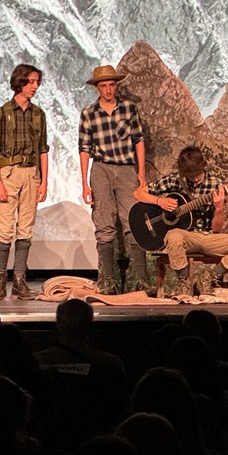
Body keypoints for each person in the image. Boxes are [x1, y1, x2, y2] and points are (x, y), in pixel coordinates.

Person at [134, 146, 228, 297]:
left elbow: (217, 228)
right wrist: (159, 201)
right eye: (190, 175)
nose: (195, 178)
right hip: (186, 237)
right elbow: (139, 193)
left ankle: (208, 279)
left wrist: (219, 209)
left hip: (208, 236)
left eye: (196, 173)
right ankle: (184, 283)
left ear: (203, 167)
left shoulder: (215, 184)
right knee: (173, 236)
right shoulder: (174, 180)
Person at [79, 64, 147, 295]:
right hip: (101, 169)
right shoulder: (89, 113)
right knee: (104, 224)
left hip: (126, 168)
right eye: (103, 86)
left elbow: (138, 139)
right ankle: (109, 281)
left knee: (134, 222)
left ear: (116, 86)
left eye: (111, 85)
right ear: (97, 88)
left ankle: (141, 280)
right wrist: (84, 182)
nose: (108, 90)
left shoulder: (128, 108)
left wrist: (141, 172)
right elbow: (85, 148)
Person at [0, 64, 49, 301]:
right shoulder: (4, 112)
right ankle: (0, 281)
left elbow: (43, 149)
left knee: (26, 228)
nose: (34, 87)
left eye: (36, 82)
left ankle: (19, 281)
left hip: (31, 173)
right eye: (31, 82)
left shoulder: (38, 114)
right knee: (5, 229)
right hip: (9, 173)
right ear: (20, 81)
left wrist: (44, 181)